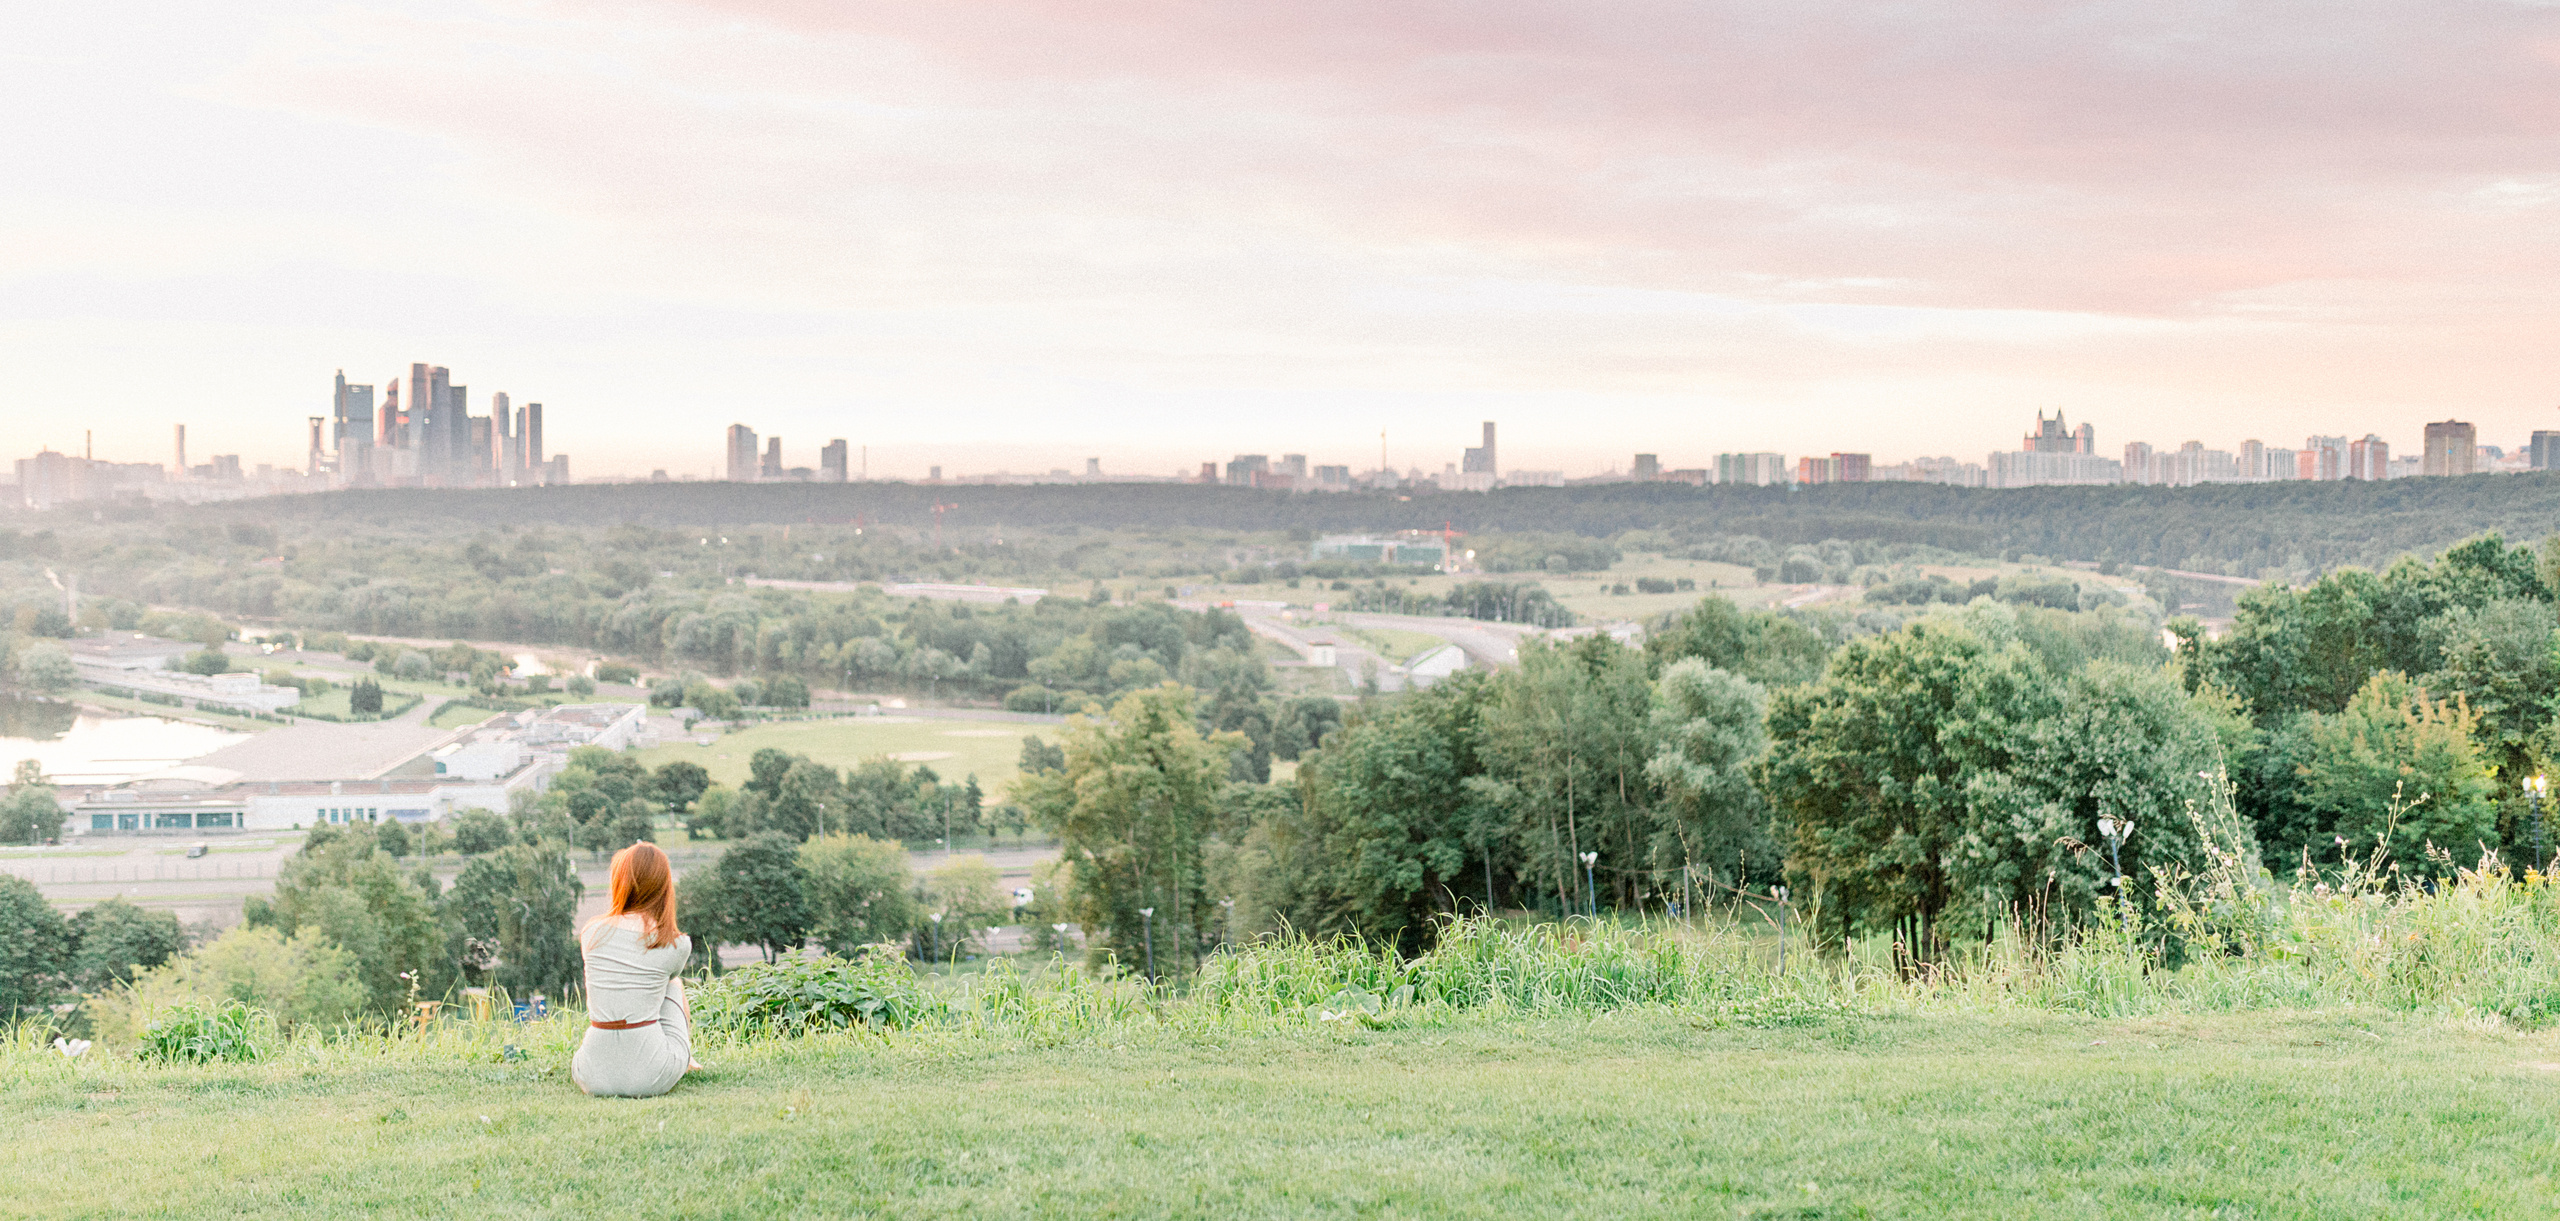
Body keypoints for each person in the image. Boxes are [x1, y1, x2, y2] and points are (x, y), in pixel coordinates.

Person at [571, 842, 698, 1098]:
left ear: (620, 882)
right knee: (672, 984)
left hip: (590, 1076)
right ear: (664, 886)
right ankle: (687, 1058)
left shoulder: (591, 932)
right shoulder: (676, 944)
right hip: (651, 1077)